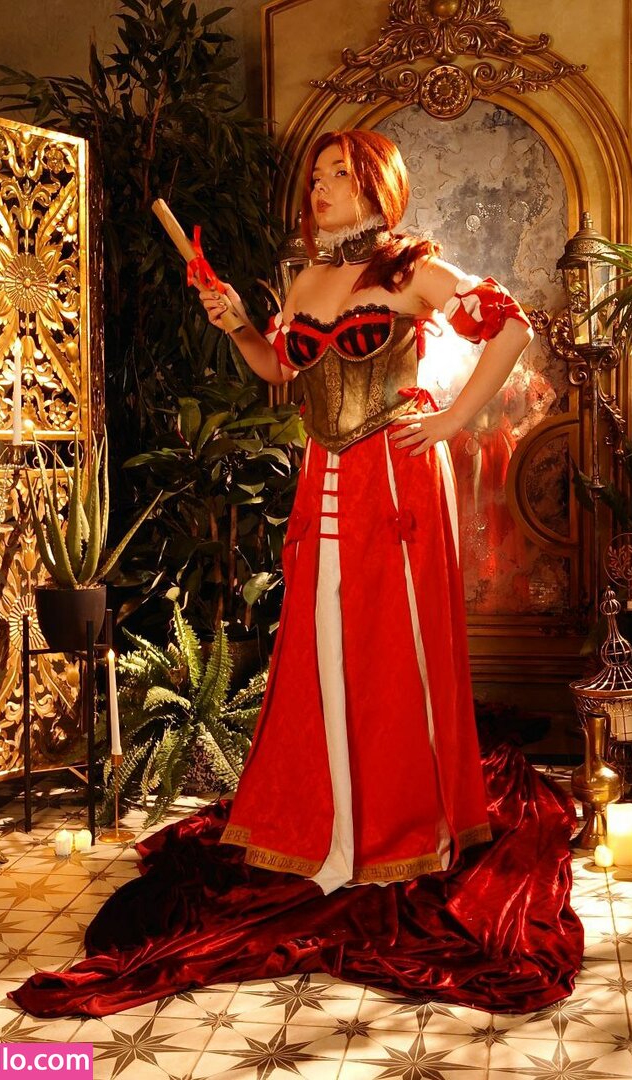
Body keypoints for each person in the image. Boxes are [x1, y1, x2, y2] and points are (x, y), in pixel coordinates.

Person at [196, 128, 533, 895]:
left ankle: (405, 828)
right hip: (325, 474)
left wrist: (452, 421)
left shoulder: (411, 268)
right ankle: (339, 827)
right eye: (316, 176)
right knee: (324, 639)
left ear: (377, 184)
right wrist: (239, 323)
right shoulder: (307, 280)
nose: (320, 188)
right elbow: (280, 368)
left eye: (338, 174)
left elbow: (513, 326)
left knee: (394, 648)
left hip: (397, 475)